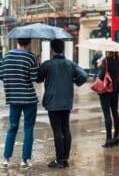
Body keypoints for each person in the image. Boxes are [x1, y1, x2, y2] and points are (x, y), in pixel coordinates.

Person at [36, 39, 87, 168]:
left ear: (52, 50)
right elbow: (84, 75)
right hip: (66, 102)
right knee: (66, 129)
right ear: (62, 49)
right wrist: (76, 80)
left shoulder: (47, 64)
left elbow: (38, 78)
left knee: (57, 131)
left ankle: (59, 160)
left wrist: (38, 64)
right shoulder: (70, 64)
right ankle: (65, 159)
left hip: (53, 103)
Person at [0, 38, 38, 169]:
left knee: (12, 127)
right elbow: (34, 78)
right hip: (29, 99)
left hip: (13, 98)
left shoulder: (7, 56)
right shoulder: (30, 57)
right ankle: (24, 160)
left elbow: (1, 74)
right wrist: (36, 64)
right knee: (28, 129)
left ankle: (5, 159)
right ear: (29, 42)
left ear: (18, 41)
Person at [98, 51, 119, 147]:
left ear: (109, 52)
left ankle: (108, 139)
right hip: (115, 89)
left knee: (107, 114)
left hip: (106, 90)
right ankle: (116, 137)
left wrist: (100, 66)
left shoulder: (106, 61)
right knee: (115, 112)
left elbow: (101, 76)